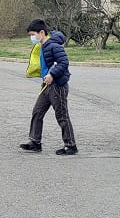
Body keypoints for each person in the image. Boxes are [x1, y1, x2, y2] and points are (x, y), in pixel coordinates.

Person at [20, 19, 78, 155]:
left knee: (62, 116)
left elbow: (64, 63)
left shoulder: (54, 46)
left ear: (42, 32)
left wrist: (52, 74)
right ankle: (35, 142)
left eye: (32, 35)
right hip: (46, 86)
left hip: (57, 86)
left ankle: (71, 146)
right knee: (37, 112)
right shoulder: (42, 46)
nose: (31, 38)